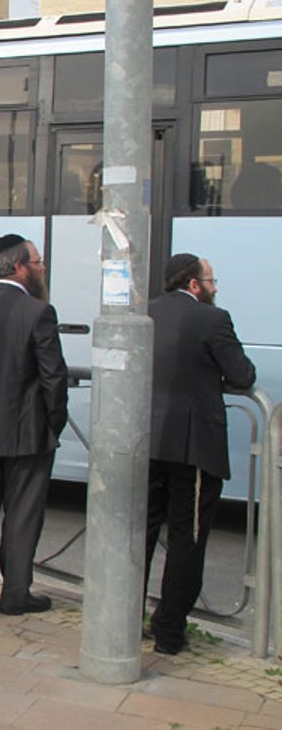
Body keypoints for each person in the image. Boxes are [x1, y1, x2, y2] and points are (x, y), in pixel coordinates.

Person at [144, 253, 256, 654]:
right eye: (210, 280)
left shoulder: (145, 313)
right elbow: (242, 374)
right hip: (191, 448)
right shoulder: (213, 319)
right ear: (194, 284)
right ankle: (169, 631)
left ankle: (126, 617)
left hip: (148, 443)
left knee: (141, 534)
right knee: (186, 540)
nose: (215, 287)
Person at [0, 233, 68, 615]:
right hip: (28, 434)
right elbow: (53, 377)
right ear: (20, 268)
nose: (42, 269)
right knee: (22, 518)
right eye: (37, 262)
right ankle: (15, 594)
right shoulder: (38, 313)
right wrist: (55, 422)